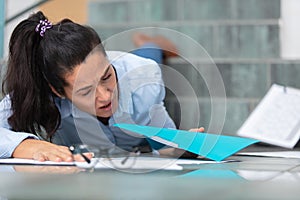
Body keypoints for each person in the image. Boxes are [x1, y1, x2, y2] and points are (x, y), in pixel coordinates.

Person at [0, 11, 203, 162]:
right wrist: (22, 145)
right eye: (86, 91)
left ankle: (150, 43)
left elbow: (162, 142)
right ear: (57, 91)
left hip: (136, 68)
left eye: (106, 77)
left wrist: (179, 148)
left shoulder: (143, 79)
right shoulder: (39, 93)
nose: (106, 96)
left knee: (150, 54)